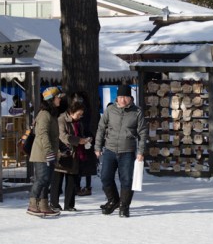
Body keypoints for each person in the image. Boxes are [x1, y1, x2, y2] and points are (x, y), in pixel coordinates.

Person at [94, 84, 146, 218]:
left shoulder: (137, 112)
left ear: (131, 98)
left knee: (127, 180)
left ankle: (124, 206)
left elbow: (143, 133)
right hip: (110, 150)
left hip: (127, 151)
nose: (123, 100)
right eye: (120, 97)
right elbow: (101, 128)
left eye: (126, 97)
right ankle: (113, 200)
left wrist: (140, 152)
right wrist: (98, 147)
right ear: (117, 98)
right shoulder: (110, 110)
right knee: (105, 177)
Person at [26, 86, 64, 217]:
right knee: (42, 179)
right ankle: (32, 204)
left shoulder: (51, 114)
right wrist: (49, 151)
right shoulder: (44, 114)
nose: (60, 99)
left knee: (47, 180)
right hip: (42, 153)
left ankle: (43, 205)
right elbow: (42, 134)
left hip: (49, 153)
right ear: (51, 99)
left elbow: (53, 136)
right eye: (58, 97)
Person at [50, 100, 90, 212]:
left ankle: (69, 205)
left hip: (74, 154)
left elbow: (81, 134)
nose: (80, 116)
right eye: (78, 114)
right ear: (71, 112)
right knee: (57, 180)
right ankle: (54, 203)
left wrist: (86, 139)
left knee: (72, 181)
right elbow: (62, 136)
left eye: (81, 114)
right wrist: (78, 140)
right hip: (62, 154)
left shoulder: (79, 122)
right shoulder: (61, 120)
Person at [71, 91, 98, 196]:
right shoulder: (87, 110)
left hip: (84, 136)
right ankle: (82, 186)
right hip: (84, 136)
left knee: (84, 163)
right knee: (81, 164)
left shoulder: (84, 111)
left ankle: (82, 186)